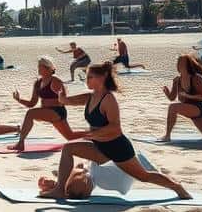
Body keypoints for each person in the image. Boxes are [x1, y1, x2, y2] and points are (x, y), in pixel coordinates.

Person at [39, 62, 190, 199]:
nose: (87, 80)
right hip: (100, 149)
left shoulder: (108, 99)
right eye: (87, 77)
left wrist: (92, 134)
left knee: (144, 176)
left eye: (91, 77)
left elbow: (115, 128)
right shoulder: (91, 97)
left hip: (118, 148)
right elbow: (67, 101)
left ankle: (177, 187)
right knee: (68, 148)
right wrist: (62, 95)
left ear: (102, 77)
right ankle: (59, 189)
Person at [8, 56, 75, 151]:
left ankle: (20, 143)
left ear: (48, 68)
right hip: (46, 112)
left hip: (57, 112)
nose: (38, 69)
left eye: (40, 66)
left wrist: (55, 100)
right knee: (71, 136)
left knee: (30, 113)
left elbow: (64, 100)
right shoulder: (38, 83)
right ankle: (89, 140)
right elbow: (32, 103)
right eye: (38, 66)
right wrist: (19, 99)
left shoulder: (55, 81)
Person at [161, 53, 202, 140]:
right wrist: (167, 93)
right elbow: (172, 98)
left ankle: (167, 136)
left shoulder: (196, 78)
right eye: (178, 62)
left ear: (187, 64)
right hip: (188, 108)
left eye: (181, 62)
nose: (179, 64)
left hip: (198, 107)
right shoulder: (177, 80)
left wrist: (188, 95)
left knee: (173, 107)